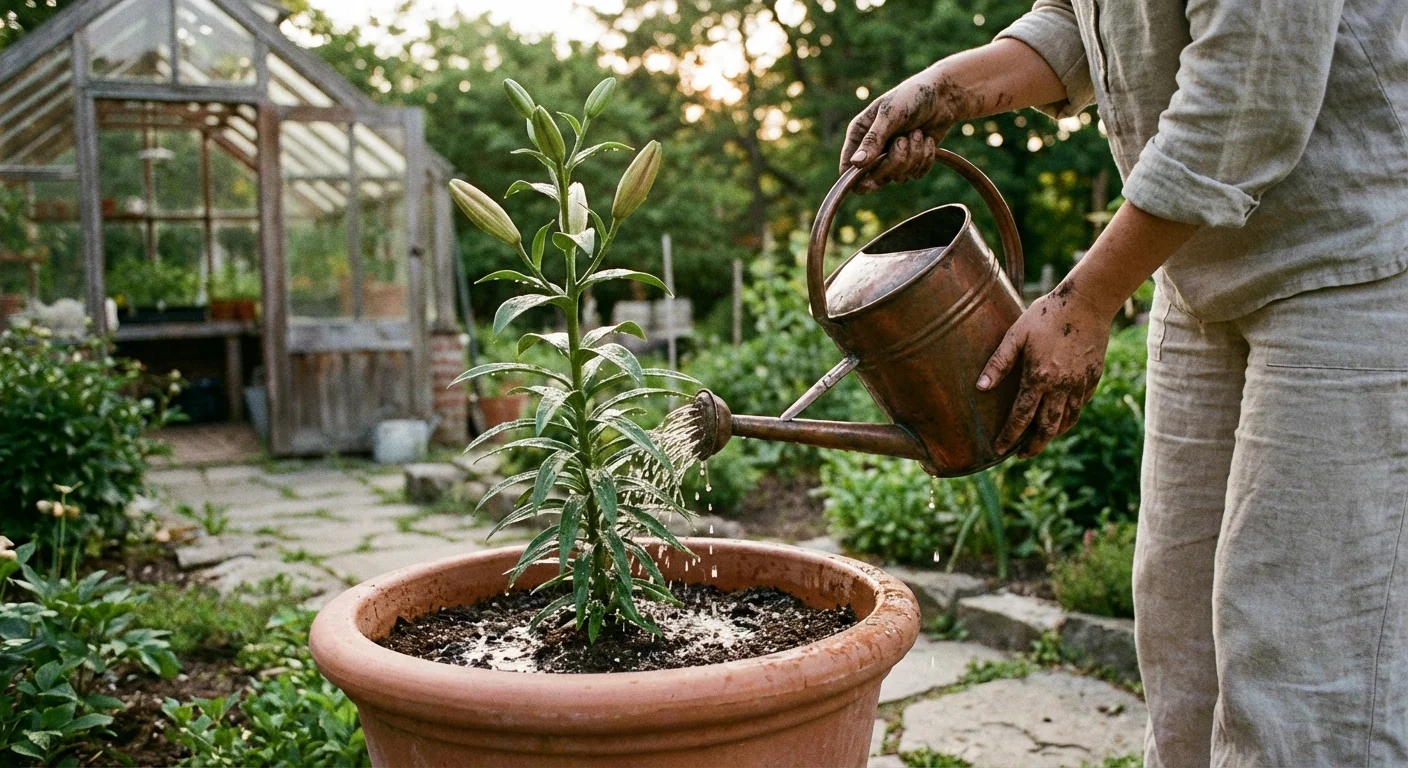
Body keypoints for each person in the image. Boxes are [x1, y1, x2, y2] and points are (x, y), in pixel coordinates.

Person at [841, 1, 1408, 765]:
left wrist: (1088, 301)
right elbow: (1081, 24)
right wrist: (943, 89)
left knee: (1302, 662)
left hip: (1350, 262)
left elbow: (1247, 93)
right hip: (1200, 268)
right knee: (1181, 645)